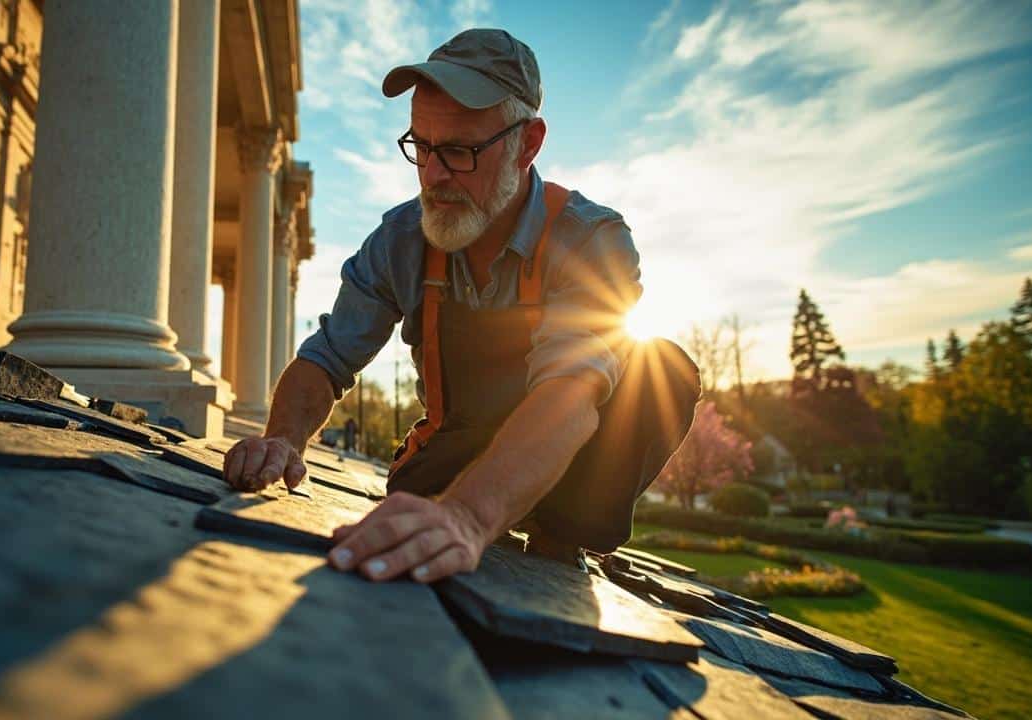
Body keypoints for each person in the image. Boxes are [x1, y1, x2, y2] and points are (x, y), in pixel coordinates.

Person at [222, 29, 700, 584]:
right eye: (420, 147)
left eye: (459, 150)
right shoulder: (400, 238)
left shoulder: (592, 240)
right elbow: (328, 357)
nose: (435, 174)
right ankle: (469, 508)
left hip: (560, 448)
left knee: (660, 368)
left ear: (528, 144)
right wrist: (282, 439)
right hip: (446, 463)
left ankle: (559, 539)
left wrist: (469, 518)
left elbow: (570, 394)